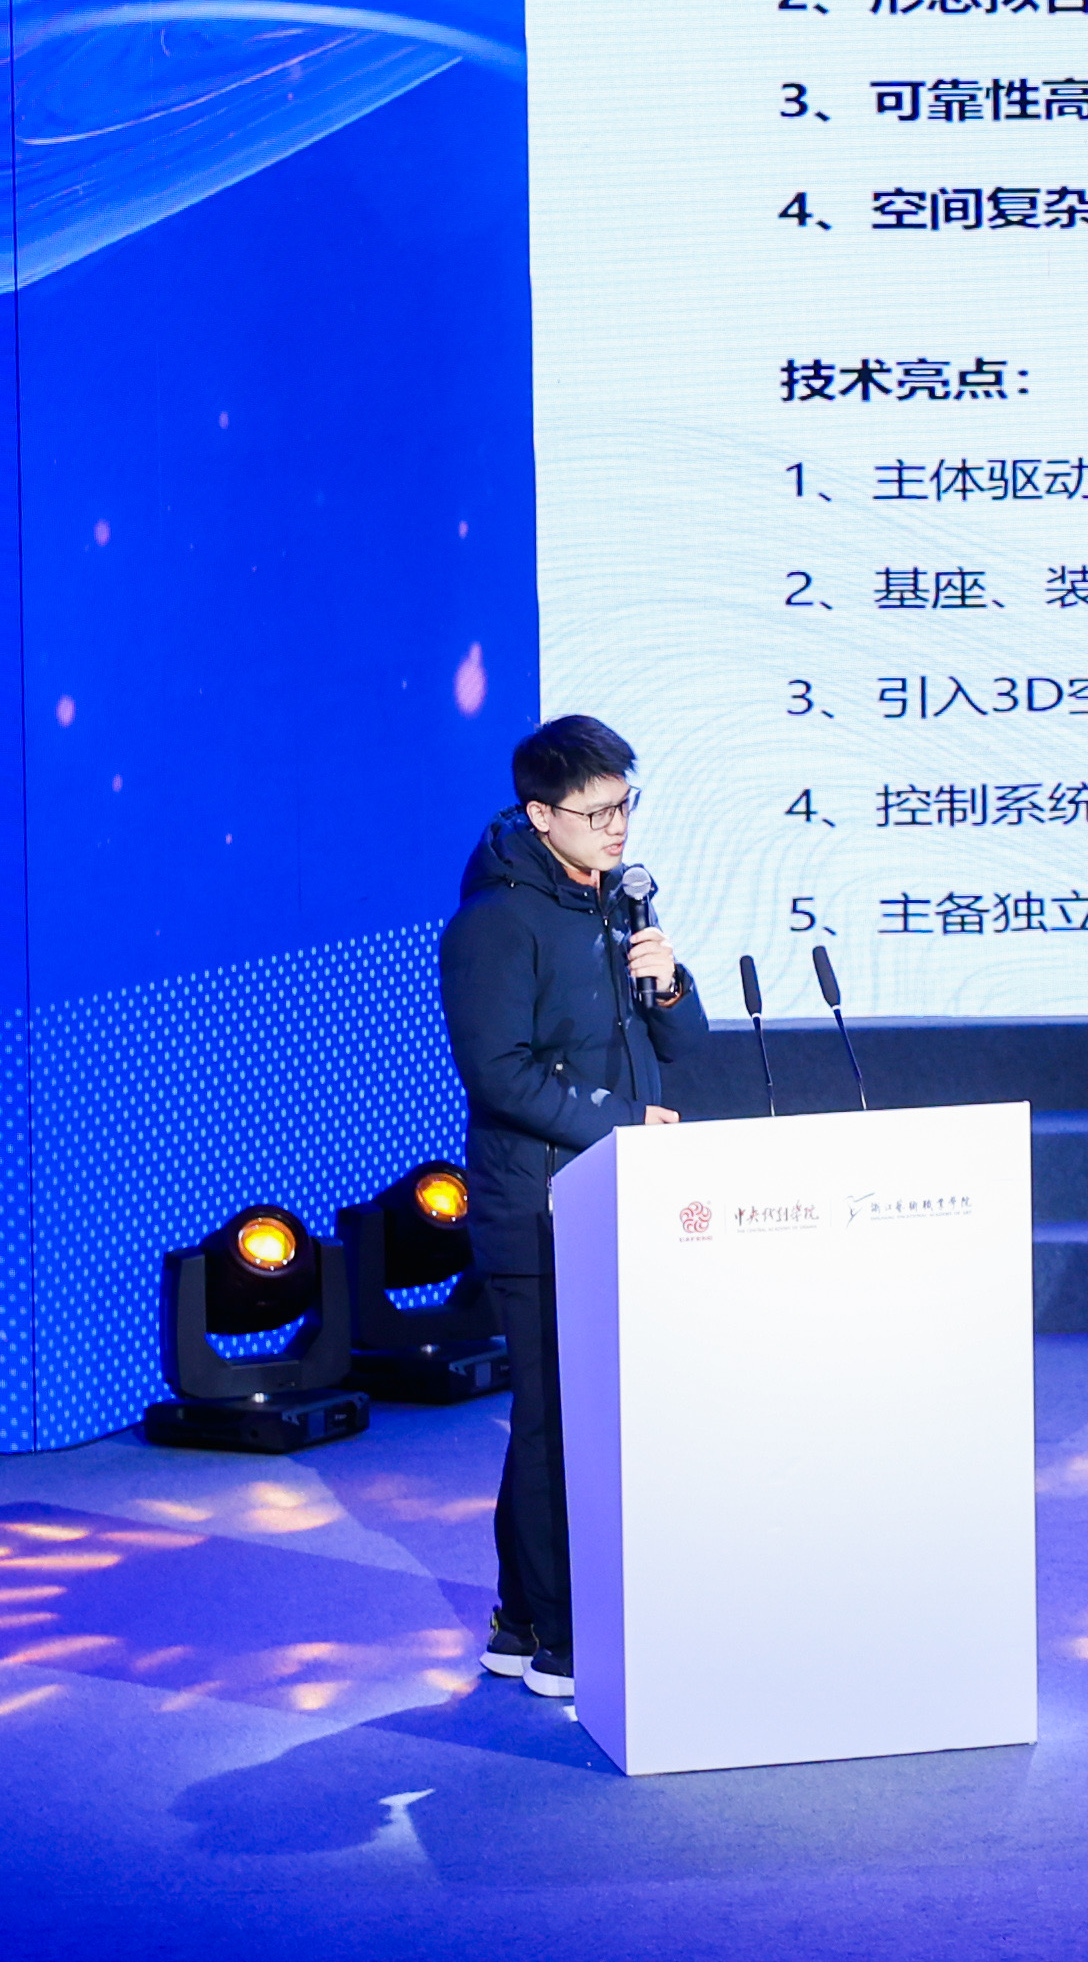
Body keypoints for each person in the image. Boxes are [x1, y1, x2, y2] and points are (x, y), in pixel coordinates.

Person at [442, 713, 700, 1706]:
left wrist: (668, 987)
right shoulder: (496, 923)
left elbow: (685, 1048)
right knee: (556, 1422)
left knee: (572, 1416)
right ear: (540, 814)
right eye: (596, 812)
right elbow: (498, 1074)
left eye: (625, 804)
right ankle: (559, 1634)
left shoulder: (616, 903)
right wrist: (624, 1124)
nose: (617, 826)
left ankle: (519, 1620)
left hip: (615, 1198)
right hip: (536, 1209)